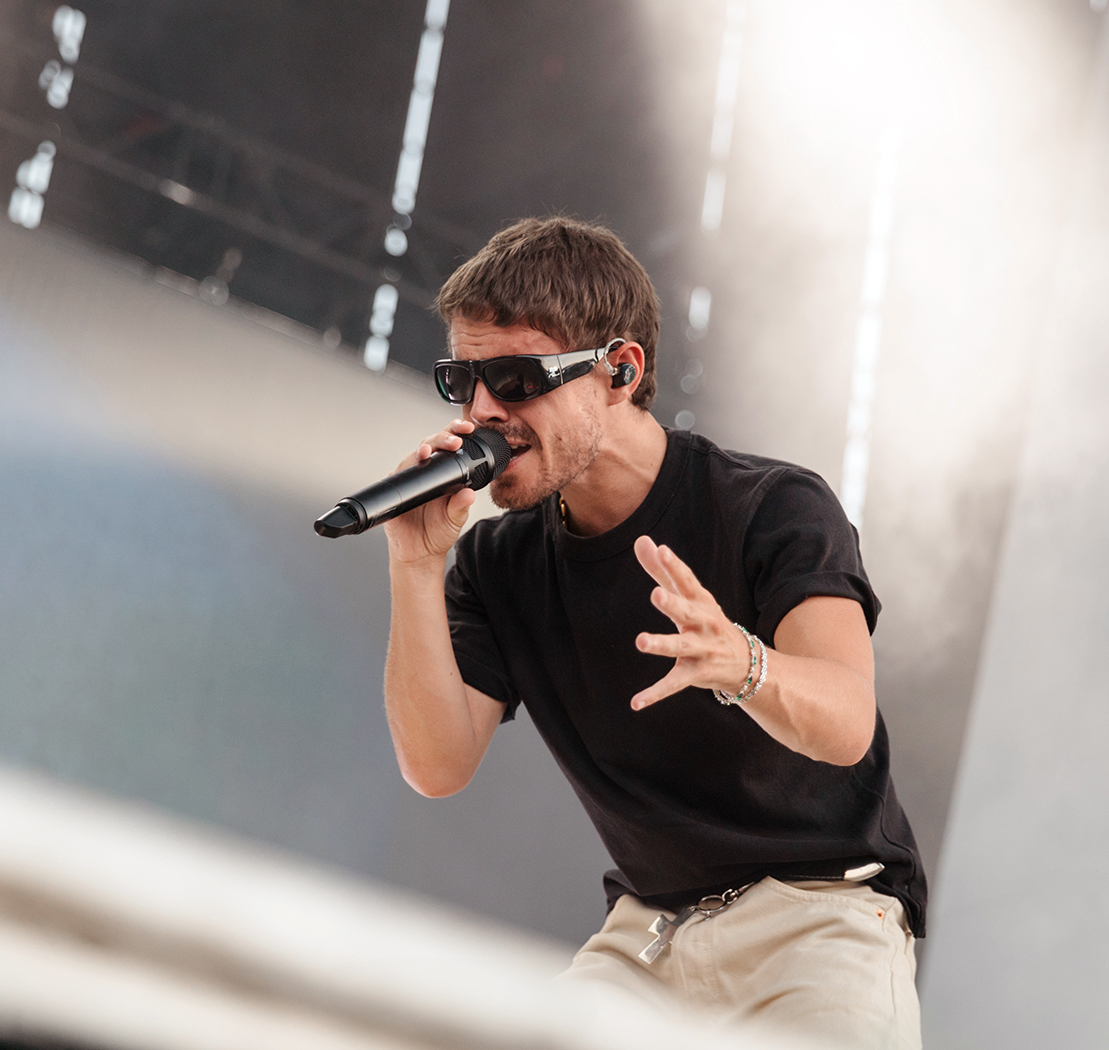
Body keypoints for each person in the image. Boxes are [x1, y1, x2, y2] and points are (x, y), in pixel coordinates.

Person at [382, 217, 926, 1048]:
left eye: (517, 379)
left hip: (816, 922)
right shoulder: (496, 561)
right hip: (647, 938)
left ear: (620, 371)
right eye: (464, 380)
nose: (484, 411)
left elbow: (847, 724)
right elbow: (436, 766)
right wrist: (415, 566)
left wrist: (742, 664)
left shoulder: (771, 507)